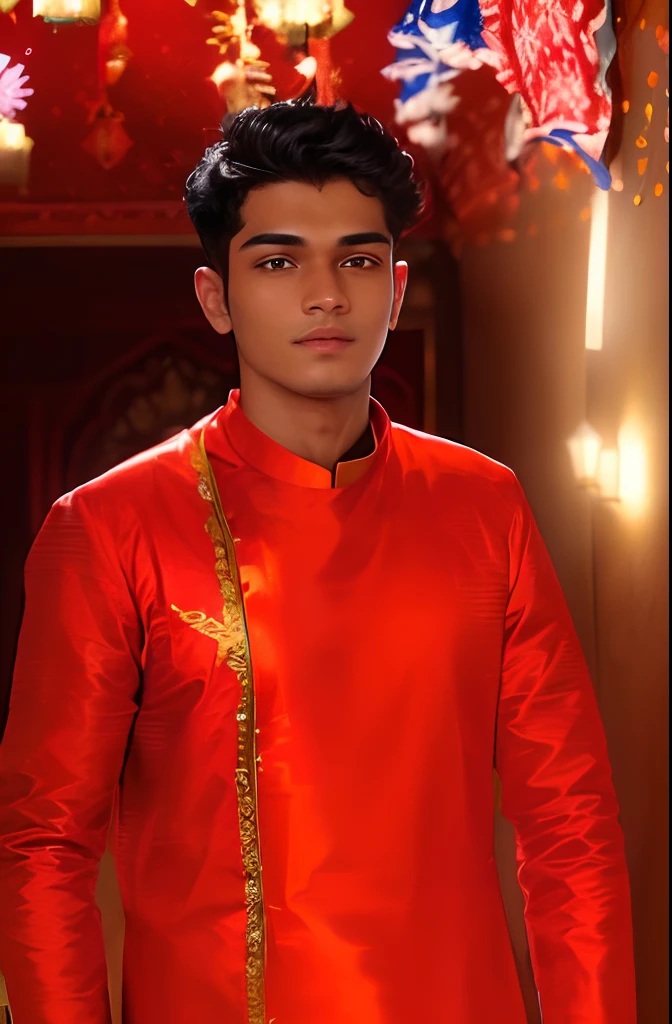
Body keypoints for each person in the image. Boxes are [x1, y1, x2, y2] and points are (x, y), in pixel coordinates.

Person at [0, 100, 637, 1024]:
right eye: (278, 260)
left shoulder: (483, 504)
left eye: (358, 259)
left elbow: (570, 824)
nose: (326, 293)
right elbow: (45, 848)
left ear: (395, 284)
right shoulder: (110, 526)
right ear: (216, 296)